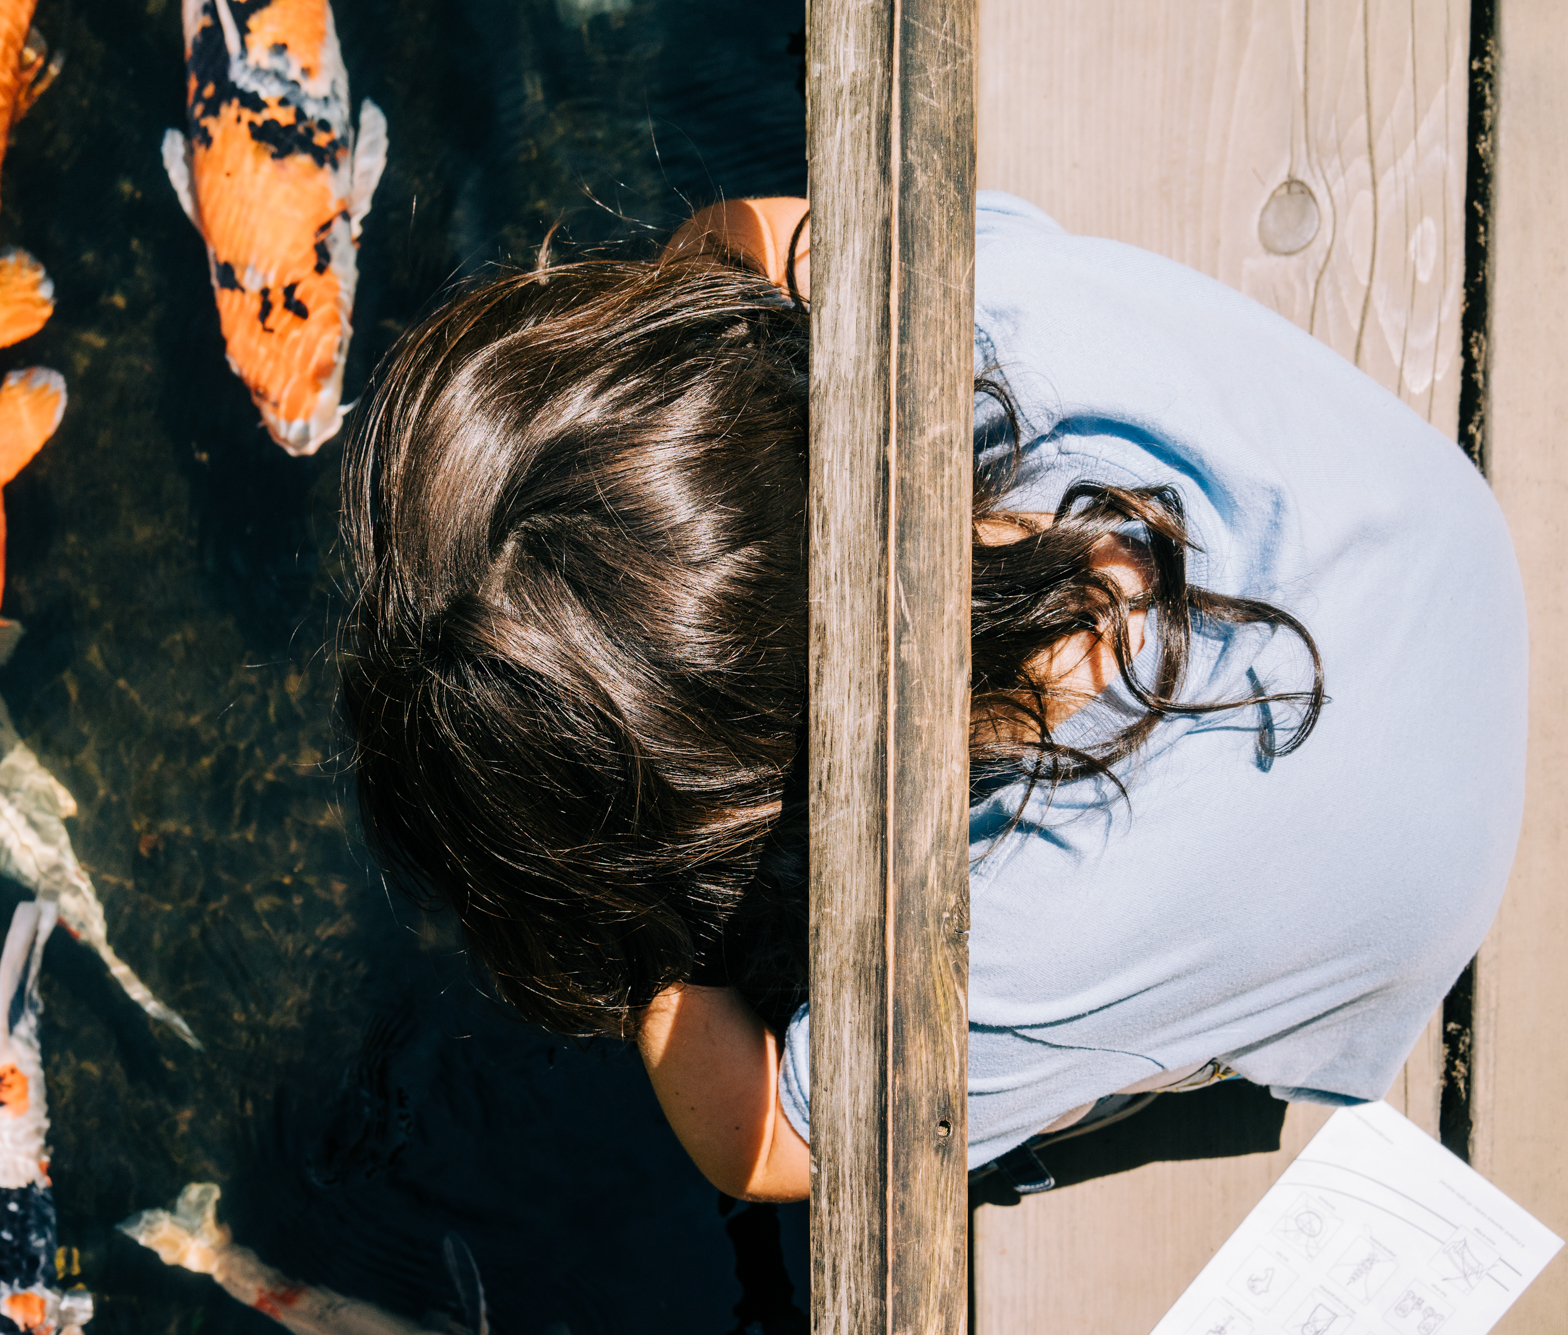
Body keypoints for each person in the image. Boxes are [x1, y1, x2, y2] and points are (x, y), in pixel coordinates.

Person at [335, 193, 1526, 1203]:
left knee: (954, 1121)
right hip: (1416, 521)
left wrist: (623, 927)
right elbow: (749, 235)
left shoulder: (1022, 911)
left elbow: (768, 1145)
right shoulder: (959, 311)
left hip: (1416, 868)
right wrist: (668, 445)